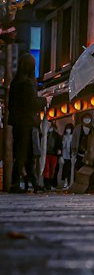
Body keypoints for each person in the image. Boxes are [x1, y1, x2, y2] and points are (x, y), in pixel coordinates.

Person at [7, 53, 40, 192]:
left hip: (17, 123)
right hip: (27, 122)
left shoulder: (15, 82)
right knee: (24, 154)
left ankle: (33, 182)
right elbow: (33, 103)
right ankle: (15, 183)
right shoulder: (28, 83)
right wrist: (45, 100)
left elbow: (11, 105)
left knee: (25, 153)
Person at [60, 122, 74, 188]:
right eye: (67, 129)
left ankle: (68, 182)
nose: (68, 130)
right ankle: (65, 182)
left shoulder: (73, 137)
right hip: (65, 155)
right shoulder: (64, 137)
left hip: (70, 155)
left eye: (69, 129)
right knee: (65, 169)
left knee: (69, 169)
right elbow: (62, 145)